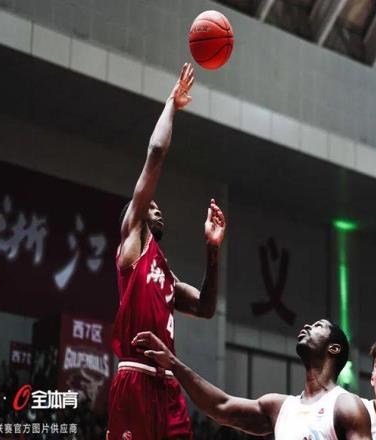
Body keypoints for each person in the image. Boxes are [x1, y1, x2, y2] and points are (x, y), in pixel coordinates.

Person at [107, 62, 227, 440]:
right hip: (136, 378)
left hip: (167, 385)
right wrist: (171, 104)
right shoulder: (132, 243)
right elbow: (156, 152)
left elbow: (205, 308)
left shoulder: (166, 276)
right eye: (150, 206)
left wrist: (212, 250)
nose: (157, 209)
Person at [132, 319, 372, 439]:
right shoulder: (280, 407)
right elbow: (220, 407)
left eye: (318, 326)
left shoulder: (345, 405)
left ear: (334, 349)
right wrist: (174, 364)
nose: (307, 325)